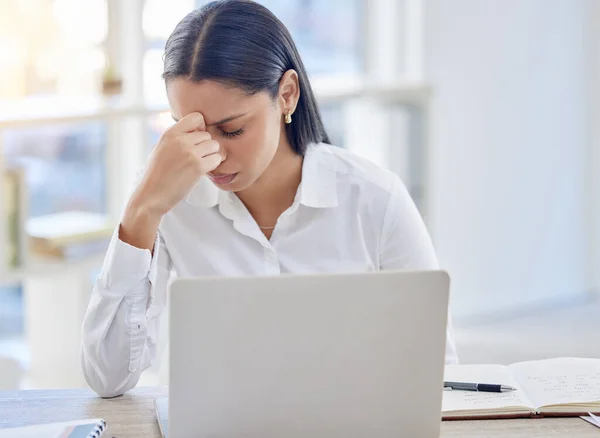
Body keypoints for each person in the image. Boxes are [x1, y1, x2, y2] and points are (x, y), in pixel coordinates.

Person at [81, 0, 458, 398]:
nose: (211, 155)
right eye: (188, 130)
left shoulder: (376, 200)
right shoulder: (170, 198)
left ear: (287, 95)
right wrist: (142, 210)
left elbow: (436, 373)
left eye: (231, 130)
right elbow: (108, 379)